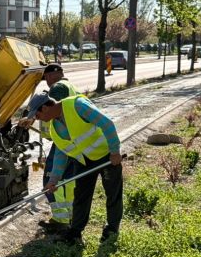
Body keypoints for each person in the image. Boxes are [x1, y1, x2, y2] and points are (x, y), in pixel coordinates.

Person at [27, 91, 123, 245]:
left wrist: (115, 151)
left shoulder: (77, 105)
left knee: (113, 194)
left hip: (107, 156)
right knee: (81, 197)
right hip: (84, 161)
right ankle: (75, 233)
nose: (38, 119)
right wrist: (54, 180)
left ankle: (112, 230)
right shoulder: (54, 127)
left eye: (37, 116)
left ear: (44, 108)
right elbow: (61, 153)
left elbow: (106, 124)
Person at [19, 64, 79, 230]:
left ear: (54, 75)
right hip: (69, 140)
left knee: (52, 179)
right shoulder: (69, 86)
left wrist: (31, 119)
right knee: (66, 180)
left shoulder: (58, 87)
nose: (46, 82)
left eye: (46, 78)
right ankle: (68, 218)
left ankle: (61, 220)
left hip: (64, 141)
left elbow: (50, 107)